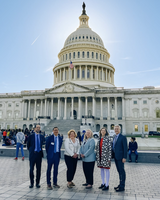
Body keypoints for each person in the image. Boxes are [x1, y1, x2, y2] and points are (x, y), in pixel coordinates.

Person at [112, 125, 127, 192]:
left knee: (122, 171)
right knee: (119, 171)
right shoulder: (114, 137)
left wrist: (124, 157)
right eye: (115, 129)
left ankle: (122, 186)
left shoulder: (123, 137)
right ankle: (120, 184)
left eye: (117, 129)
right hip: (115, 157)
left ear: (120, 129)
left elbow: (125, 148)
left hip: (121, 157)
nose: (116, 130)